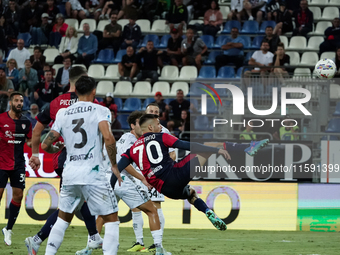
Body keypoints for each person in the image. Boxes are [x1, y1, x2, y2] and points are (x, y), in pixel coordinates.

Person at [113, 115, 269, 232]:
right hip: (176, 174)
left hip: (166, 189)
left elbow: (117, 168)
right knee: (209, 145)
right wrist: (217, 150)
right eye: (159, 124)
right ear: (151, 128)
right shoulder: (162, 136)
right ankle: (246, 148)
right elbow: (187, 145)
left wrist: (110, 188)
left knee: (191, 193)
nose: (161, 126)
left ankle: (208, 212)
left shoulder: (132, 149)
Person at [40, 76, 127, 255]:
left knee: (63, 219)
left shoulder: (63, 113)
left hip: (70, 173)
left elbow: (45, 145)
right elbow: (109, 138)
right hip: (92, 172)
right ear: (94, 91)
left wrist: (55, 148)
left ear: (76, 91)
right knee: (111, 219)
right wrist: (114, 166)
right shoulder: (101, 110)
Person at [26, 67, 103, 255]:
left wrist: (35, 154)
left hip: (61, 158)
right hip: (80, 159)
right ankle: (37, 239)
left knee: (75, 203)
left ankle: (92, 236)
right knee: (70, 206)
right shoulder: (91, 101)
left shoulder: (54, 104)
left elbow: (37, 130)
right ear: (84, 80)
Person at [96, 111, 163, 253]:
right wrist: (143, 179)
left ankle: (89, 246)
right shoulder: (130, 140)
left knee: (103, 214)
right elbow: (124, 164)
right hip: (122, 180)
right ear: (132, 126)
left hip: (110, 179)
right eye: (140, 123)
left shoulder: (132, 139)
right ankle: (159, 248)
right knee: (152, 210)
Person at [127, 104, 176, 253]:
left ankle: (158, 243)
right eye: (151, 112)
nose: (154, 114)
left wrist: (162, 168)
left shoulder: (164, 131)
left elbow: (173, 154)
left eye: (156, 112)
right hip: (139, 175)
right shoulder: (138, 130)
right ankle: (139, 242)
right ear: (145, 114)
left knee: (156, 206)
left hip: (155, 175)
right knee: (135, 206)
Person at [0, 92, 32, 246]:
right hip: (1, 163)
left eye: (21, 101)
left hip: (18, 164)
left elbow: (31, 141)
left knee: (18, 196)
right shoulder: (1, 119)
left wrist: (37, 151)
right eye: (17, 101)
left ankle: (8, 228)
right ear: (10, 103)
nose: (20, 103)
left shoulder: (26, 123)